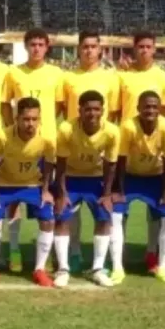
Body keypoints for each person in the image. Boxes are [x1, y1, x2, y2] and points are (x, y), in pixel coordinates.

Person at [2, 28, 65, 272]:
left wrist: (44, 129)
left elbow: (59, 106)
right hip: (18, 146)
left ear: (47, 47)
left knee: (46, 200)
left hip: (46, 146)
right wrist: (13, 130)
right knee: (14, 201)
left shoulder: (56, 73)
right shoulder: (13, 72)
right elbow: (5, 104)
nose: (36, 48)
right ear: (26, 46)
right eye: (32, 44)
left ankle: (45, 255)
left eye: (41, 44)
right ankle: (14, 250)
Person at [58, 31, 121, 274]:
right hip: (73, 146)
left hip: (98, 150)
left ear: (100, 50)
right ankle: (73, 253)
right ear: (78, 49)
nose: (89, 51)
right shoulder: (67, 77)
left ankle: (101, 260)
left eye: (93, 46)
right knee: (70, 212)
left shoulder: (111, 78)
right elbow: (62, 109)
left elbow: (112, 113)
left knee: (103, 210)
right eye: (84, 46)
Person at [0, 98, 58, 287]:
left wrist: (46, 190)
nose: (30, 124)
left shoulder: (47, 137)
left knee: (48, 220)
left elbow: (50, 162)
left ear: (39, 119)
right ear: (17, 119)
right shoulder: (2, 136)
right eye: (26, 119)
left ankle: (39, 269)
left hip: (32, 185)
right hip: (4, 184)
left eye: (34, 119)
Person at [117, 32, 165, 275]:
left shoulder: (162, 78)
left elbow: (163, 114)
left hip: (152, 153)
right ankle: (118, 255)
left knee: (156, 209)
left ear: (154, 50)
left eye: (149, 47)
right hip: (127, 147)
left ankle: (151, 253)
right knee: (121, 207)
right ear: (134, 48)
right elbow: (115, 111)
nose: (144, 50)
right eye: (140, 46)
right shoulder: (122, 76)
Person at [55, 91, 121, 288]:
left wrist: (107, 194)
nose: (92, 113)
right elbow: (60, 163)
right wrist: (61, 193)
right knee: (62, 216)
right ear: (80, 110)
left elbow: (111, 164)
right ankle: (63, 268)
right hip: (71, 178)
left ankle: (97, 268)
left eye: (96, 109)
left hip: (95, 179)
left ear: (103, 110)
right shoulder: (66, 128)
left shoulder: (112, 131)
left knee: (104, 216)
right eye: (88, 109)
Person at [116, 92, 165, 285]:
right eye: (146, 106)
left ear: (160, 109)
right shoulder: (128, 127)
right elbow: (120, 161)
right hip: (131, 177)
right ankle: (118, 264)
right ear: (138, 108)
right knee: (116, 213)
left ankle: (162, 266)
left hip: (156, 177)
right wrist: (119, 191)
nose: (150, 110)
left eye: (154, 107)